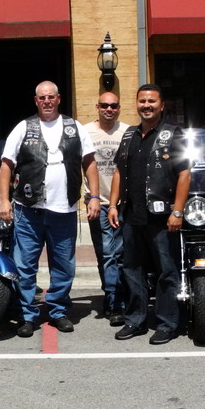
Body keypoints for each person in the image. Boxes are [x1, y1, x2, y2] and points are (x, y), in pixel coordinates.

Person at [0, 81, 101, 337]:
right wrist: (4, 200)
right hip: (28, 210)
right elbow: (6, 165)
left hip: (64, 210)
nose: (47, 101)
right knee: (25, 265)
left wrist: (94, 196)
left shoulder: (75, 127)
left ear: (58, 99)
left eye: (51, 97)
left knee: (63, 264)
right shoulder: (24, 127)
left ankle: (57, 311)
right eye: (42, 97)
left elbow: (89, 162)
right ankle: (27, 315)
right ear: (36, 100)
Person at [108, 85, 191, 345]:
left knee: (166, 271)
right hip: (132, 215)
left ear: (161, 105)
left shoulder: (173, 134)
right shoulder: (129, 135)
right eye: (142, 101)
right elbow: (119, 171)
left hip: (162, 217)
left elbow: (184, 174)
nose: (147, 105)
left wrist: (177, 211)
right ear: (136, 104)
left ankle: (167, 324)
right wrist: (113, 205)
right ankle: (136, 320)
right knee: (132, 269)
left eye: (152, 101)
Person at [84, 91, 128, 326]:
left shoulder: (128, 132)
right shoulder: (85, 132)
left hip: (122, 204)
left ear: (119, 108)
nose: (109, 109)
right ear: (97, 107)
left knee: (118, 254)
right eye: (104, 105)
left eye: (113, 105)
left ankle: (116, 300)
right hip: (97, 203)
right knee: (107, 254)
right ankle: (113, 299)